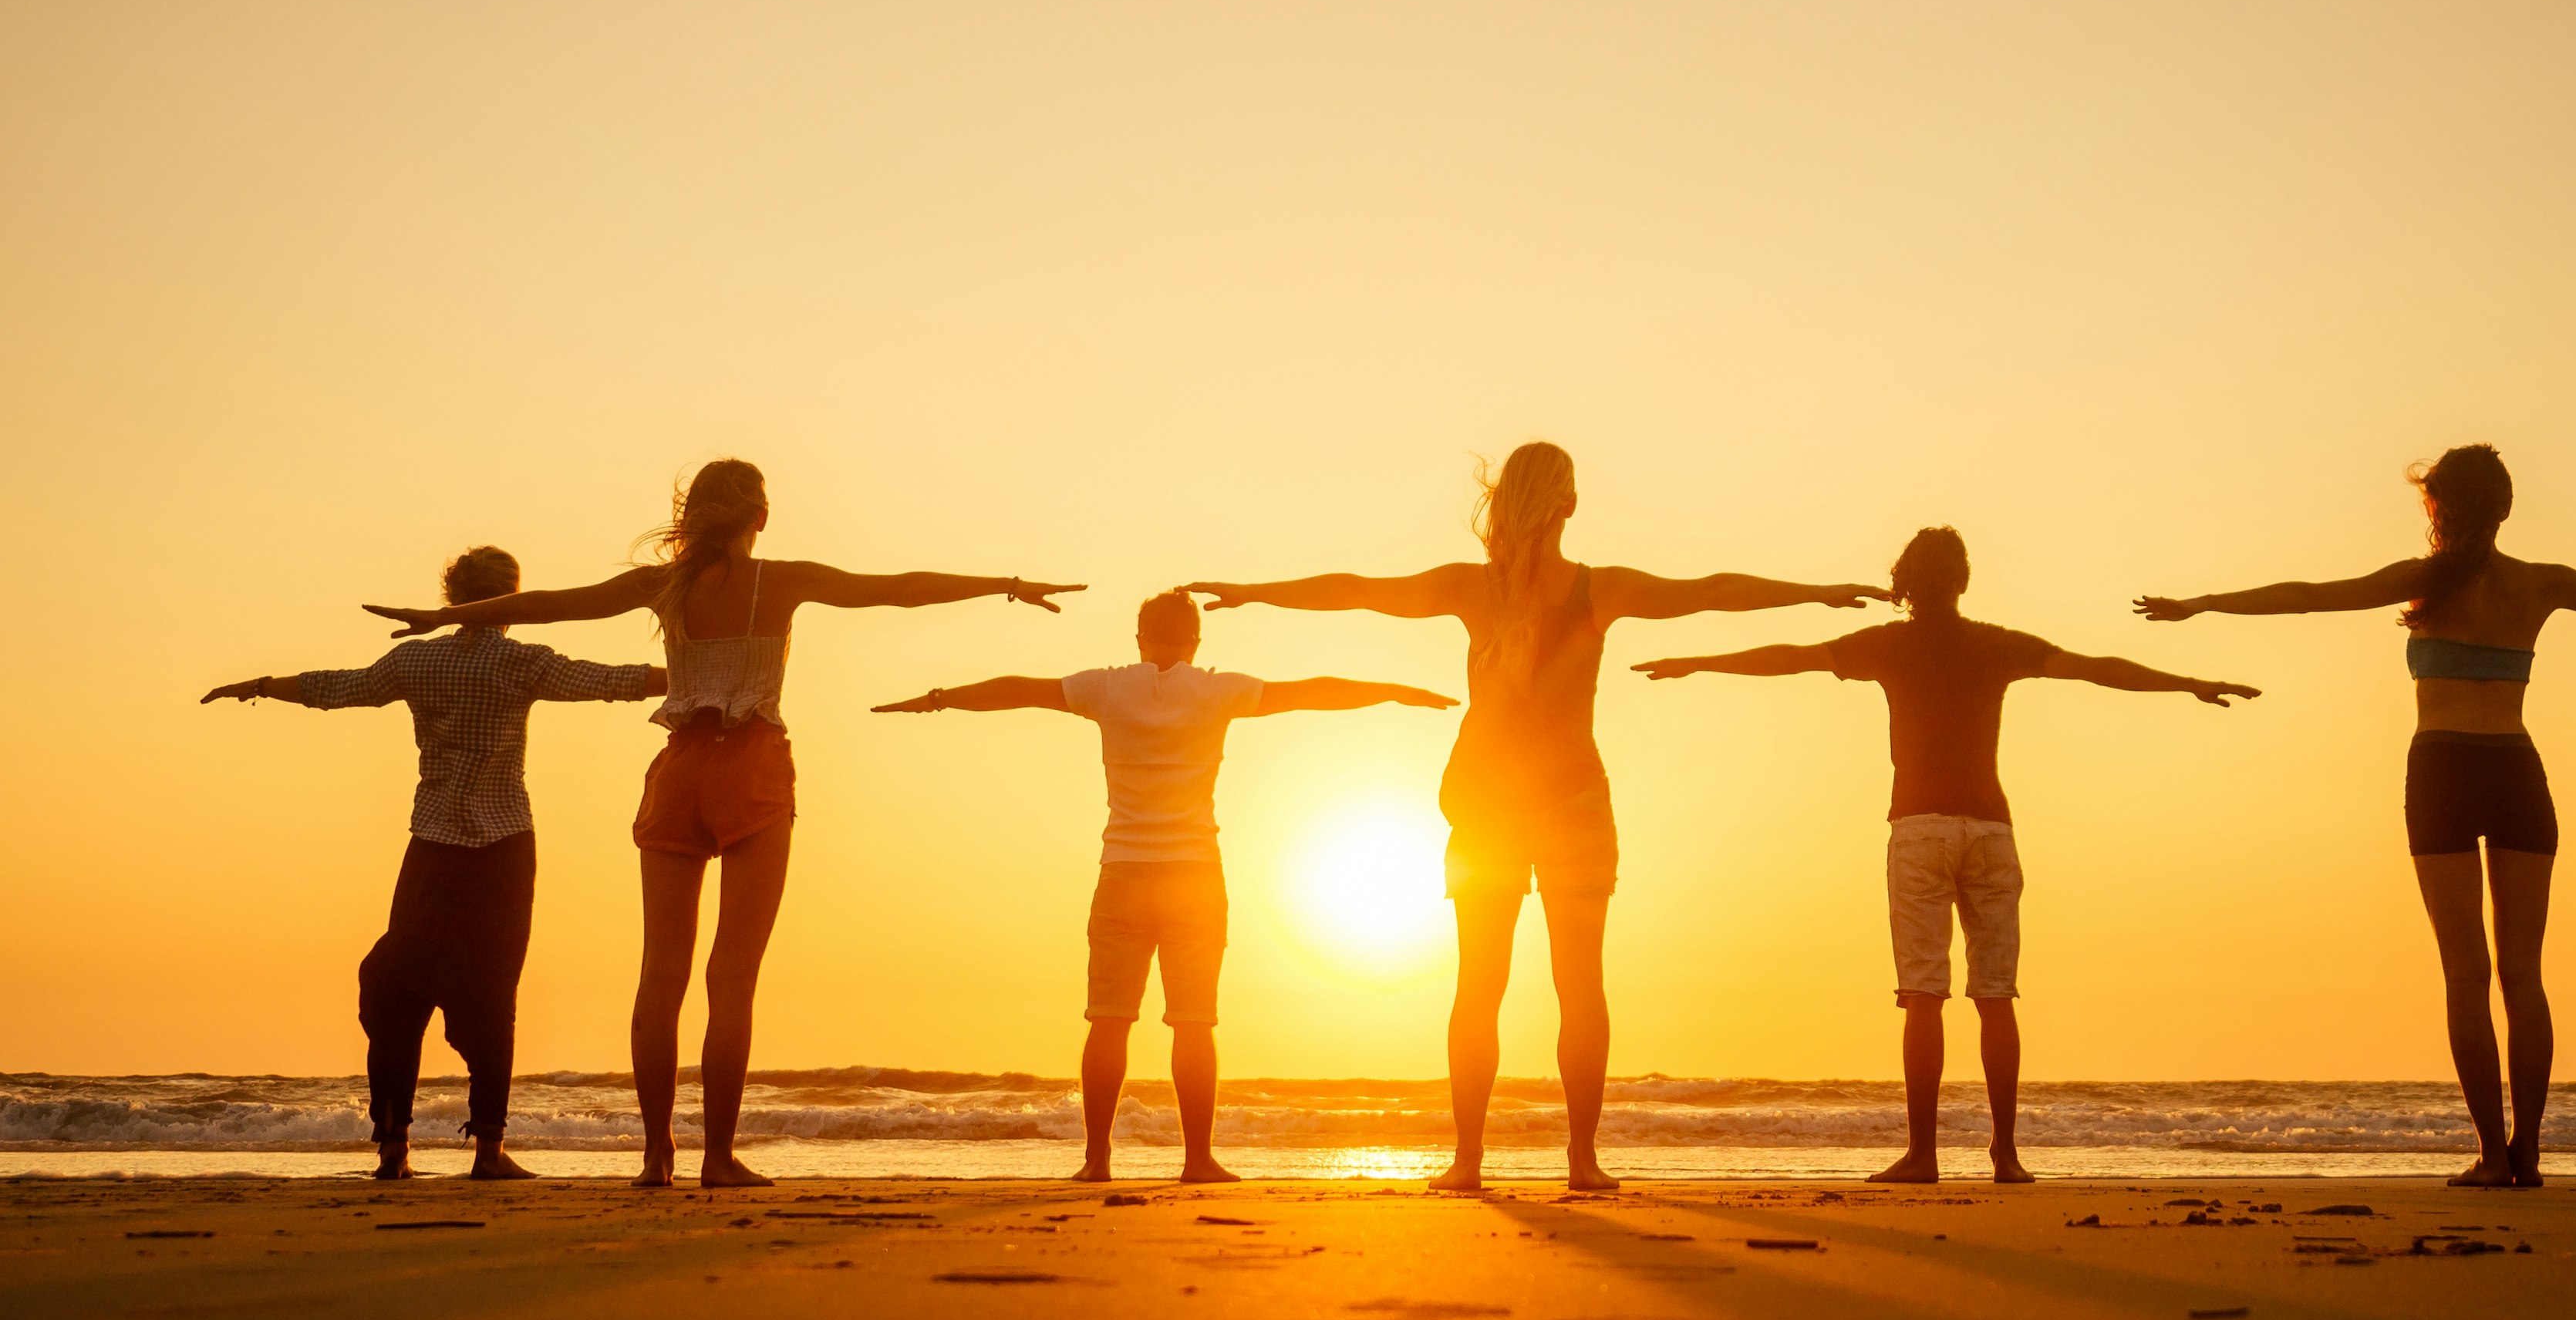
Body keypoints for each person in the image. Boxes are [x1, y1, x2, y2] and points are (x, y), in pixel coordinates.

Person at [1186, 441, 1889, 1192]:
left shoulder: (1469, 587)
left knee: (1478, 986)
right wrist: (1817, 590)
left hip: (1487, 806)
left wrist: (1255, 590)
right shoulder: (1597, 588)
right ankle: (1582, 1162)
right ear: (1571, 503)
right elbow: (1710, 590)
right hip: (1571, 802)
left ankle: (1467, 1163)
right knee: (1579, 985)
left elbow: (1358, 589)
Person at [2136, 443, 2576, 1187]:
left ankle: (2494, 1156)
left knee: (2465, 978)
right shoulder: (2543, 584)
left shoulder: (2422, 581)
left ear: (2439, 509)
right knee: (2524, 979)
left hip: (2440, 767)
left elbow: (2309, 592)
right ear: (2504, 508)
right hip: (2514, 769)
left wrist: (2204, 603)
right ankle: (2528, 1153)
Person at [364, 459, 1078, 1188]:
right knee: (731, 977)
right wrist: (1007, 586)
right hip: (752, 768)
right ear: (759, 517)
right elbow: (898, 592)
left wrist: (447, 619)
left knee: (660, 975)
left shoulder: (662, 586)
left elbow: (556, 604)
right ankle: (717, 1158)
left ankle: (655, 1159)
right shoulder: (782, 580)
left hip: (677, 775)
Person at [1635, 526, 2257, 1185]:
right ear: (1962, 581)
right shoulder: (1996, 644)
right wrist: (2190, 682)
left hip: (1920, 831)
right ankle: (2006, 1156)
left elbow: (1791, 656)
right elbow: (2097, 669)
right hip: (1990, 830)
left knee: (1924, 996)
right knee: (1995, 997)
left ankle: (1924, 1156)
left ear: (1903, 583)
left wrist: (1697, 663)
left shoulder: (1888, 644)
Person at [873, 589, 1455, 1184]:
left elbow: (1017, 689)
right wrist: (1395, 691)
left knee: (1108, 1021)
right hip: (1195, 876)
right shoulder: (1217, 690)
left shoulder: (1106, 688)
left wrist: (937, 700)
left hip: (1123, 872)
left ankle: (1097, 1160)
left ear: (1139, 638)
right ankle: (1197, 1160)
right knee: (1195, 1023)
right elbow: (1313, 691)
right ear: (1196, 641)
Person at [207, 544, 663, 1180]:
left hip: (431, 847)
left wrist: (260, 686)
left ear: (451, 598)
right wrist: (705, 672)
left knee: (401, 987)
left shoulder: (416, 660)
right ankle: (489, 1150)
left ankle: (393, 1148)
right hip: (503, 848)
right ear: (512, 602)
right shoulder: (521, 661)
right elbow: (611, 681)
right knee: (493, 993)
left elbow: (337, 690)